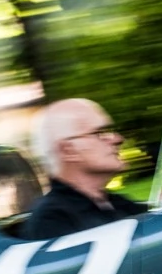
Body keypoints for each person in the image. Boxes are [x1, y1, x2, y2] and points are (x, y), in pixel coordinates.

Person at [21, 98, 146, 241]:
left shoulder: (115, 203)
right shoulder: (52, 222)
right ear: (68, 151)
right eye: (100, 133)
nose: (117, 139)